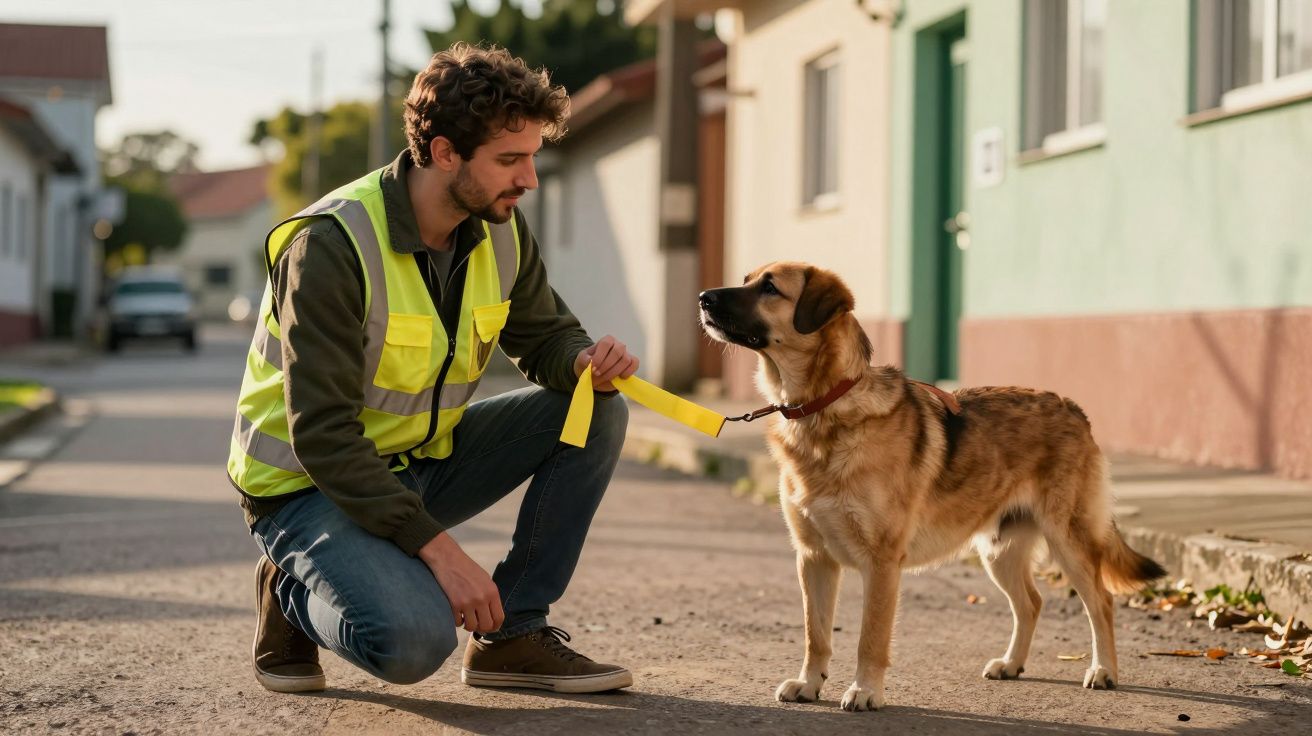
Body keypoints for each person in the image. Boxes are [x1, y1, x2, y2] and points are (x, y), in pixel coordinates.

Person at [227, 42, 639, 695]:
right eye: (510, 160)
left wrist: (583, 360)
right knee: (415, 643)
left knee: (593, 410)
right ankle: (293, 590)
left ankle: (513, 637)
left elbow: (545, 337)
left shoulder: (499, 225)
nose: (528, 178)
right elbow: (325, 438)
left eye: (531, 156)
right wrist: (442, 554)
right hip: (306, 487)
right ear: (445, 152)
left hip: (414, 462)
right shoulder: (331, 246)